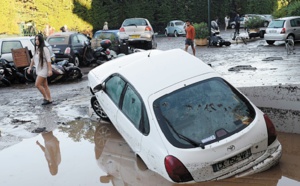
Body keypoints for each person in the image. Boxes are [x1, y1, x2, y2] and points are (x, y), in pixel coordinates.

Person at [27, 34, 53, 105]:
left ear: (41, 40)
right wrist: (30, 67)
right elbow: (33, 59)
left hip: (44, 69)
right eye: (35, 39)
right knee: (45, 85)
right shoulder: (36, 49)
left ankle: (46, 98)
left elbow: (48, 60)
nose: (36, 41)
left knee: (37, 84)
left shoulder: (45, 49)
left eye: (38, 39)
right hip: (38, 69)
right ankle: (50, 99)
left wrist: (50, 70)